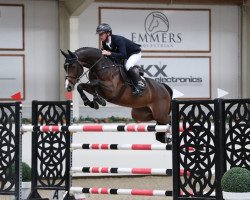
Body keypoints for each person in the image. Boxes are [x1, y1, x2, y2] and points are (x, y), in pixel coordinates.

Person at [96, 23, 145, 96]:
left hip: (135, 53)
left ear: (108, 33)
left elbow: (123, 55)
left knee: (128, 66)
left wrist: (110, 53)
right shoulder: (104, 43)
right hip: (125, 55)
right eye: (99, 34)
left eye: (101, 34)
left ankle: (139, 84)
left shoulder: (118, 40)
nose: (100, 36)